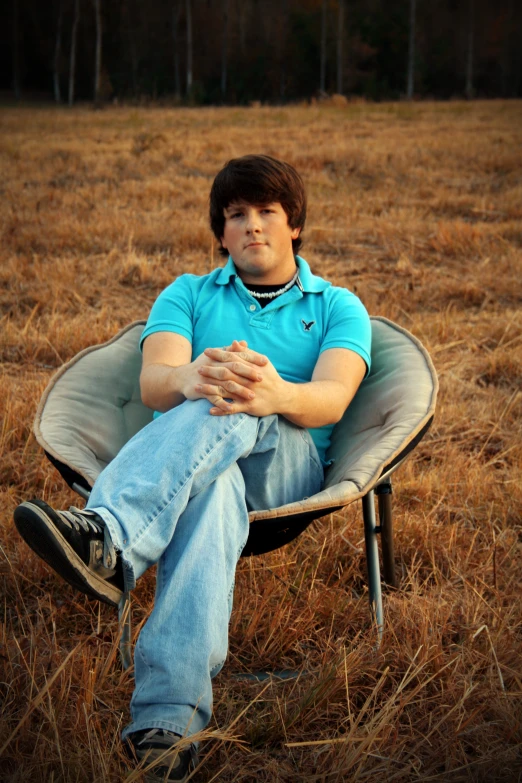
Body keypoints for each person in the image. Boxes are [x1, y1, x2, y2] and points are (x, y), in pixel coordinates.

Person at [14, 154, 371, 782]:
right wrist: (193, 375)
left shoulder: (339, 306)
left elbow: (333, 399)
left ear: (295, 227)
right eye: (237, 215)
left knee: (236, 391)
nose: (252, 226)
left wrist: (271, 392)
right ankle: (166, 723)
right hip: (196, 477)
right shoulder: (186, 293)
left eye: (267, 213)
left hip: (283, 470)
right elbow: (156, 383)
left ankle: (112, 537)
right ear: (221, 232)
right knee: (212, 486)